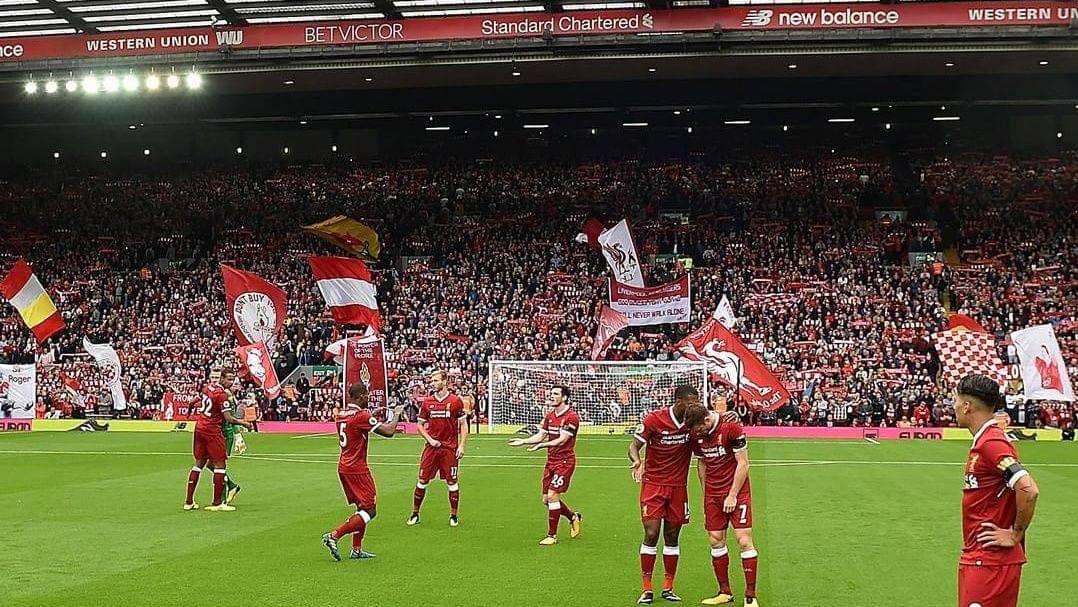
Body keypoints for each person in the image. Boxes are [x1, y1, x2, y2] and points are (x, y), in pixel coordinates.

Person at [954, 374, 1040, 607]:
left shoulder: (992, 443)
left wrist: (1015, 534)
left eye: (956, 401)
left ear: (967, 406)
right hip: (983, 558)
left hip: (990, 561)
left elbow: (1028, 489)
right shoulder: (986, 440)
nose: (954, 407)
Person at [628, 385, 707, 605]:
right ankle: (647, 589)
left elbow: (713, 428)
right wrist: (637, 461)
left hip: (678, 488)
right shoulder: (655, 419)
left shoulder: (692, 425)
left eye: (696, 403)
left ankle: (668, 587)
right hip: (653, 486)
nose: (694, 407)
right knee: (651, 533)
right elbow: (633, 446)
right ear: (678, 401)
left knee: (672, 536)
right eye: (691, 403)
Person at [322, 382, 405, 561]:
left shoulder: (341, 414)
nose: (368, 397)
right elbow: (389, 431)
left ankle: (357, 549)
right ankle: (334, 535)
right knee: (370, 510)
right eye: (366, 395)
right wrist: (397, 414)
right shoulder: (362, 416)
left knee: (361, 508)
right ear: (360, 397)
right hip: (357, 468)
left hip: (344, 466)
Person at [691, 407, 759, 606]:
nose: (698, 433)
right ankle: (725, 592)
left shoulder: (731, 427)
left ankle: (750, 596)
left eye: (700, 429)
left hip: (737, 492)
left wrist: (732, 495)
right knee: (715, 540)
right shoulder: (696, 433)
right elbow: (702, 463)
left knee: (744, 540)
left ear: (706, 420)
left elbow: (743, 463)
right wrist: (706, 493)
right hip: (713, 494)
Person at [508, 385, 583, 545]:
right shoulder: (549, 416)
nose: (551, 396)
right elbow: (540, 435)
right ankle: (573, 516)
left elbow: (562, 440)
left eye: (555, 394)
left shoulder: (571, 417)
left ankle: (552, 536)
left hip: (565, 462)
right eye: (551, 393)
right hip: (551, 461)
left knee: (552, 495)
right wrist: (524, 441)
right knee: (546, 500)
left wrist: (542, 445)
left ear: (564, 397)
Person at [183, 367, 252, 512]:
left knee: (199, 464)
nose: (231, 382)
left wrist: (189, 412)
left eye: (232, 379)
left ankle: (189, 502)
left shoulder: (207, 388)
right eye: (229, 379)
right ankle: (218, 503)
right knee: (220, 465)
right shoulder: (222, 395)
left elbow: (193, 401)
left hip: (199, 428)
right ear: (221, 378)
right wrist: (244, 423)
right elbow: (228, 418)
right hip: (213, 431)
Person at [408, 370, 469, 527]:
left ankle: (453, 516)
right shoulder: (427, 402)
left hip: (449, 449)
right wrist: (430, 439)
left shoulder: (455, 401)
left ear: (444, 381)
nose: (432, 383)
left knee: (452, 482)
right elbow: (419, 425)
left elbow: (463, 424)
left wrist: (462, 446)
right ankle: (415, 513)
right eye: (432, 381)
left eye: (435, 380)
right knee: (422, 480)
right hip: (431, 448)